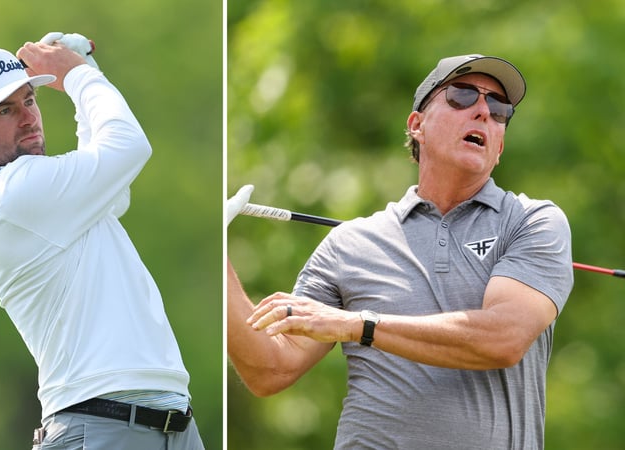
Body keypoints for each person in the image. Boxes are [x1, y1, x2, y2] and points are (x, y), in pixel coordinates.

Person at [227, 54, 573, 449]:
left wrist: (359, 325)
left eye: (498, 109)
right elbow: (269, 369)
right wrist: (212, 253)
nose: (482, 112)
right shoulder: (350, 244)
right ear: (417, 125)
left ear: (500, 146)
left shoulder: (533, 221)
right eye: (462, 96)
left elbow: (505, 338)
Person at [0, 32, 204, 450]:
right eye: (5, 110)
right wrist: (77, 75)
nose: (28, 118)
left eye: (29, 100)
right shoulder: (9, 197)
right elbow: (128, 147)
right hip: (100, 425)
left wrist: (86, 76)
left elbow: (112, 186)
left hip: (169, 424)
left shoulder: (36, 196)